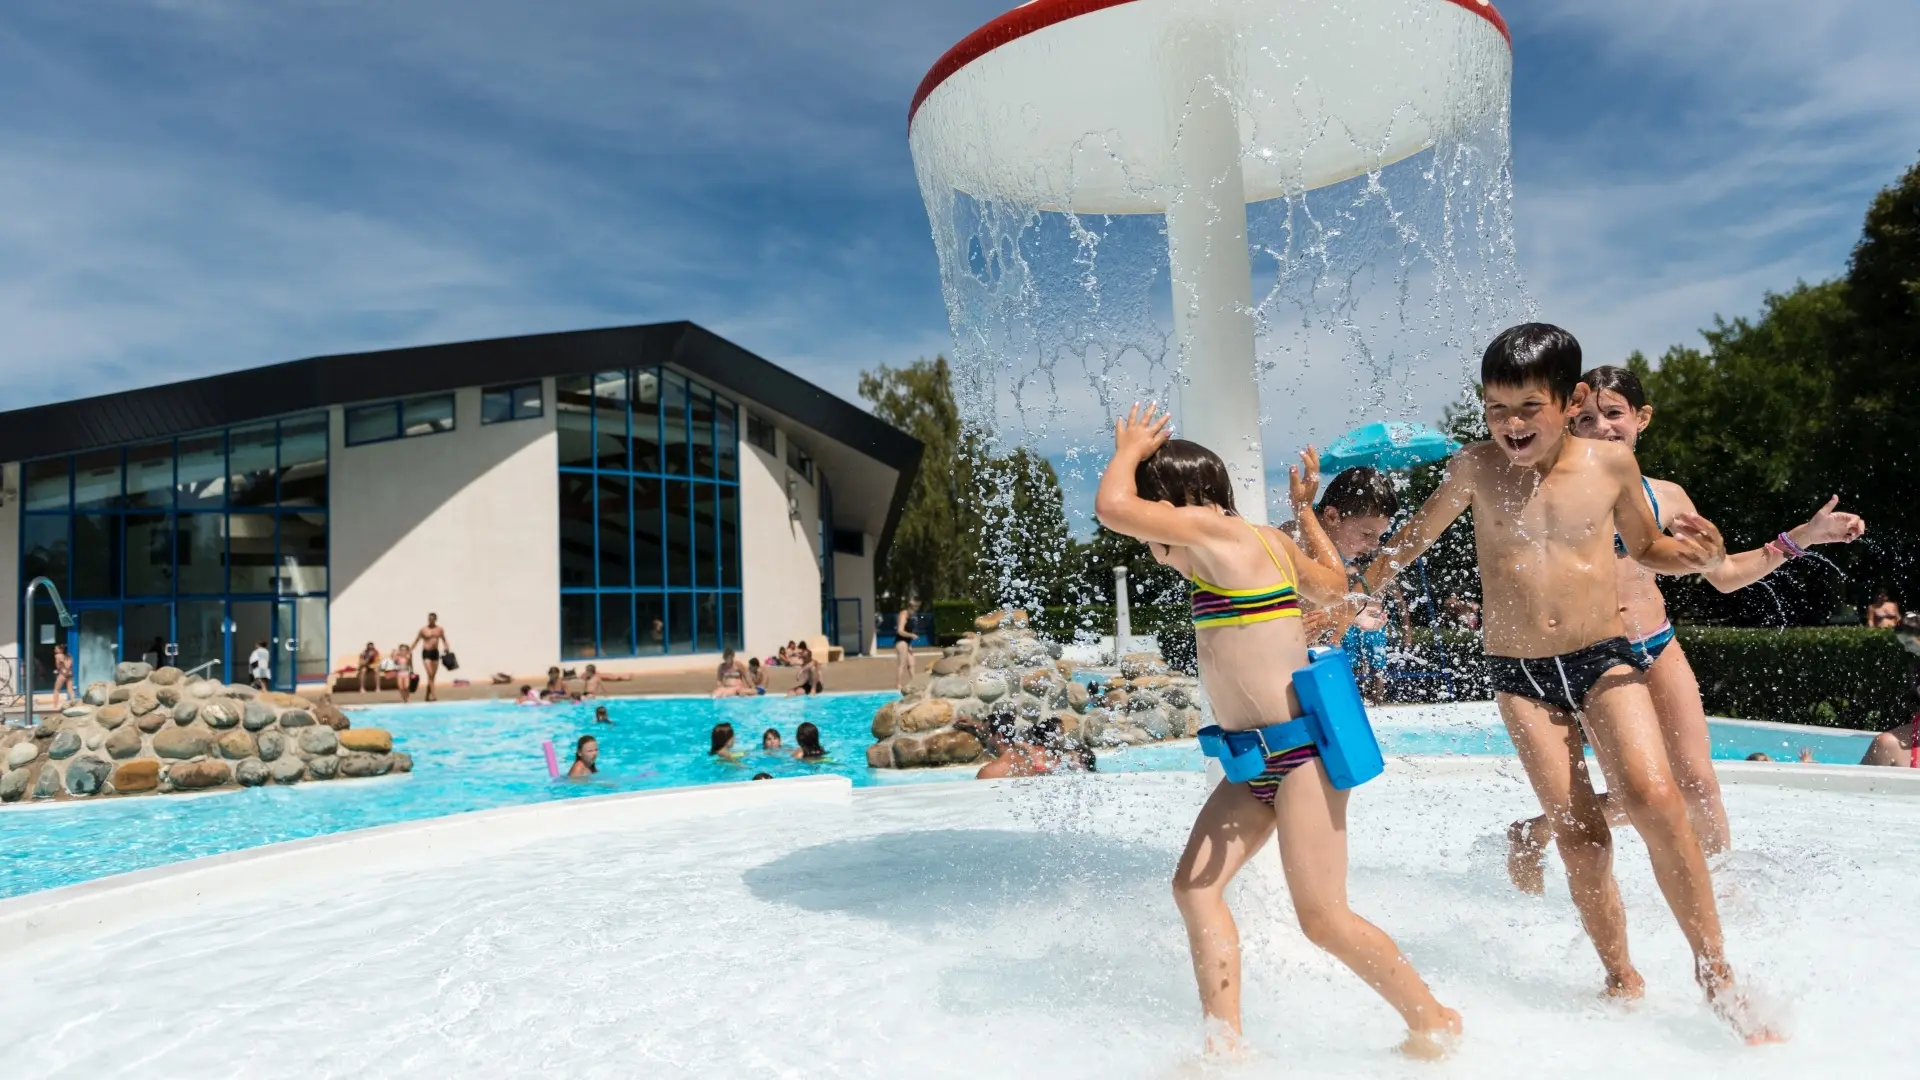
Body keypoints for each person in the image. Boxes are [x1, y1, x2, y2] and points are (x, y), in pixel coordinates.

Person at [1362, 324, 1775, 1041]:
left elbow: (1648, 549)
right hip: (1519, 676)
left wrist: (1699, 559)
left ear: (1572, 398)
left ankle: (1716, 972)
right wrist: (1349, 598)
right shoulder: (1474, 469)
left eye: (1529, 407)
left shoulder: (1610, 465)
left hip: (1603, 658)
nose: (1512, 424)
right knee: (1581, 838)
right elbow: (1407, 544)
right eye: (1497, 409)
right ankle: (1620, 973)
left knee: (1656, 798)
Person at [1096, 402, 1459, 1060]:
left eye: (1160, 513)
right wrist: (1311, 513)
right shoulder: (1262, 543)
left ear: (1185, 503)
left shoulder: (1219, 536)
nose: (1149, 536)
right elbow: (1333, 589)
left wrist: (1128, 451)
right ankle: (1225, 1045)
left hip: (1298, 760)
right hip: (1254, 763)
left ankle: (1434, 1018)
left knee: (1323, 918)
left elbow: (1113, 507)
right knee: (1194, 887)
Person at [1505, 364, 1865, 874]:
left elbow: (1725, 574)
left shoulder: (1667, 496)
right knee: (1640, 795)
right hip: (1597, 659)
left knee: (1697, 785)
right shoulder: (1546, 492)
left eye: (1613, 414)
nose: (1600, 427)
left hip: (1658, 645)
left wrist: (1801, 537)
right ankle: (1537, 829)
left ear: (1641, 418)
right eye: (1584, 418)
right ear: (1567, 423)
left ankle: (1723, 889)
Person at [411, 613, 451, 702]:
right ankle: (434, 696)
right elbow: (416, 641)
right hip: (426, 653)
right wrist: (410, 650)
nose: (430, 620)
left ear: (435, 619)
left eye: (432, 619)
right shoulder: (423, 630)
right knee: (430, 674)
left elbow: (444, 639)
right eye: (429, 619)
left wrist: (446, 647)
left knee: (432, 676)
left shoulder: (439, 629)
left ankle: (427, 695)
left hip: (435, 653)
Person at [895, 599, 920, 692]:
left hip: (907, 642)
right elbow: (900, 631)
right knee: (902, 663)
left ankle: (914, 682)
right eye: (914, 609)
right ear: (909, 608)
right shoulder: (903, 614)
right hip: (901, 641)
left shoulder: (911, 616)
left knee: (912, 663)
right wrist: (911, 635)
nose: (914, 613)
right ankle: (898, 683)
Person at [51, 643, 72, 708]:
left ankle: (55, 706)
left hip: (62, 674)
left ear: (61, 650)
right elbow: (70, 665)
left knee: (56, 690)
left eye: (56, 648)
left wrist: (58, 670)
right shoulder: (69, 656)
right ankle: (74, 703)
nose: (54, 650)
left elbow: (57, 665)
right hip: (69, 673)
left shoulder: (58, 656)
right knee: (70, 690)